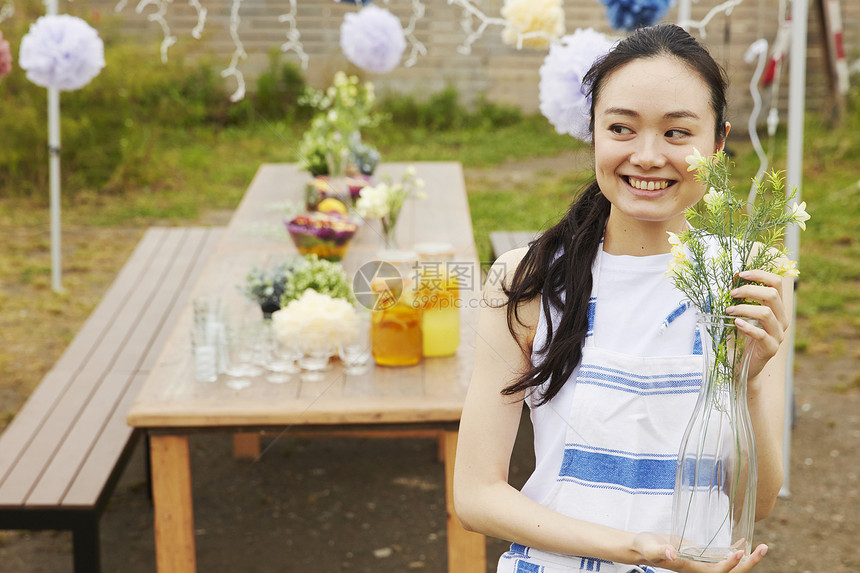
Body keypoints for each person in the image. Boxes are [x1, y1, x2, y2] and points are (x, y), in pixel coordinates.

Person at [453, 24, 791, 573]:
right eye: (621, 128)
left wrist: (747, 382)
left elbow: (762, 498)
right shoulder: (528, 279)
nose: (648, 156)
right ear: (593, 133)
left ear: (719, 143)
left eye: (678, 133)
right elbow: (475, 496)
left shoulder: (748, 279)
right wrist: (633, 547)